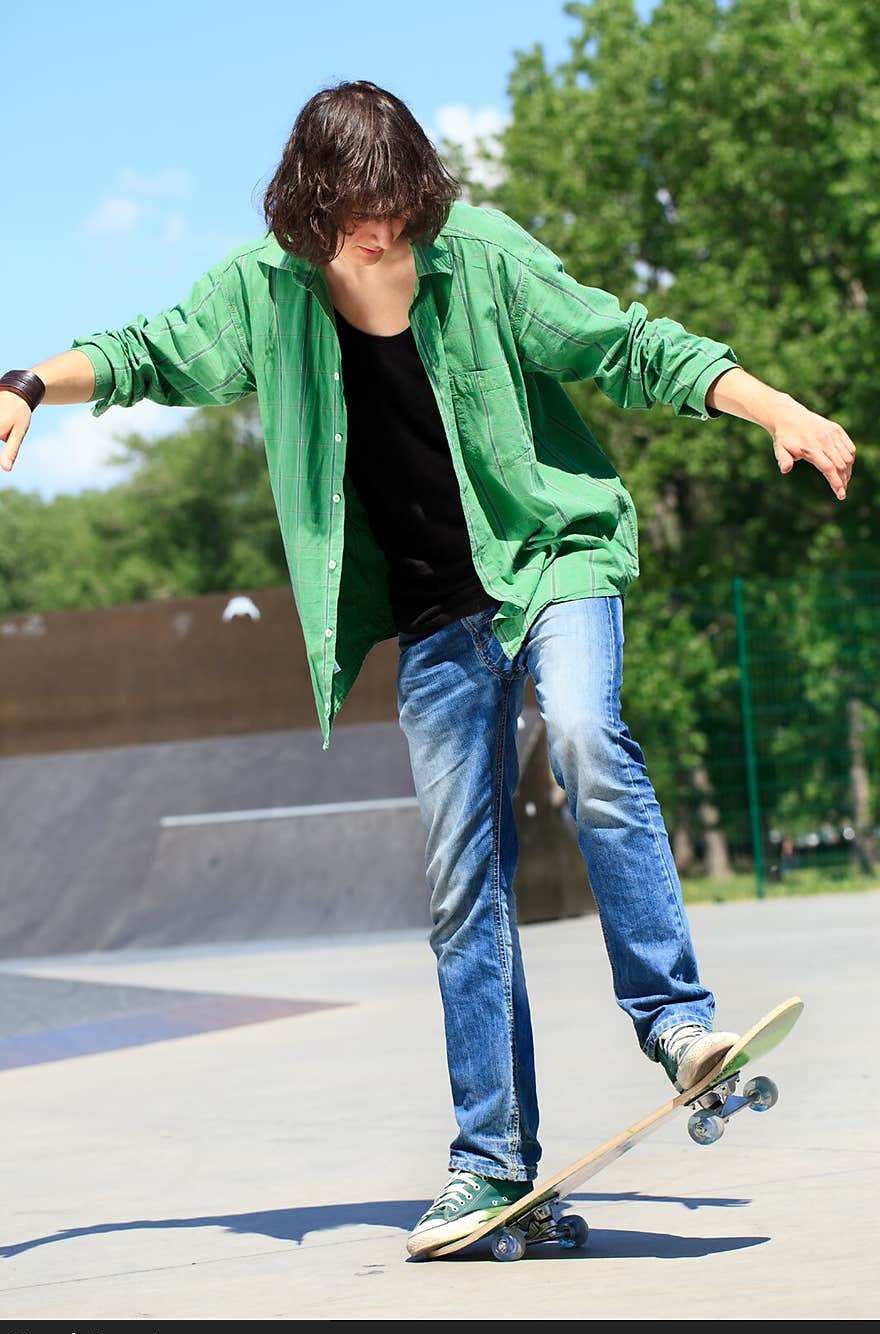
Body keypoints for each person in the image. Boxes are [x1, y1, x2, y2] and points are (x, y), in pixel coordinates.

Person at [0, 79, 855, 1259]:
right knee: (463, 885)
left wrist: (776, 408)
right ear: (311, 201)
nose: (384, 235)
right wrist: (28, 383)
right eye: (359, 212)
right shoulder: (263, 291)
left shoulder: (484, 255)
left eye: (400, 209)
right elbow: (151, 351)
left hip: (552, 561)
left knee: (589, 743)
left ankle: (677, 1025)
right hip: (437, 622)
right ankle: (493, 1160)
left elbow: (627, 343)